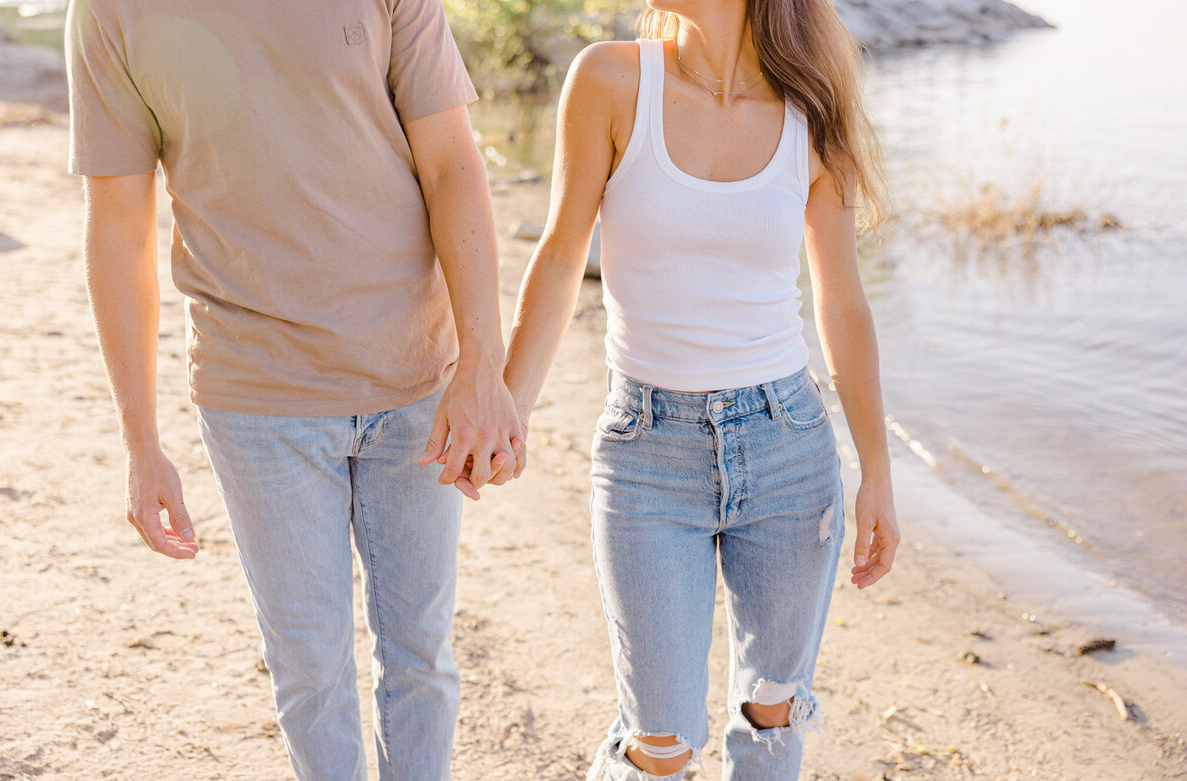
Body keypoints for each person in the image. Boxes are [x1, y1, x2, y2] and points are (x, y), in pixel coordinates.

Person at [64, 0, 524, 778]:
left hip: (415, 379)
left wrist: (483, 364)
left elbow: (452, 162)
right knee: (310, 670)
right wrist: (141, 443)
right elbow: (118, 227)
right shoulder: (110, 11)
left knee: (421, 651)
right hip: (255, 395)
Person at [503, 0, 899, 777]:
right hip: (646, 449)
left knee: (771, 714)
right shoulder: (610, 82)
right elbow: (557, 258)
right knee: (660, 742)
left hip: (788, 447)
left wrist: (877, 469)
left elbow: (842, 304)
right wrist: (507, 409)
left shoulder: (811, 112)